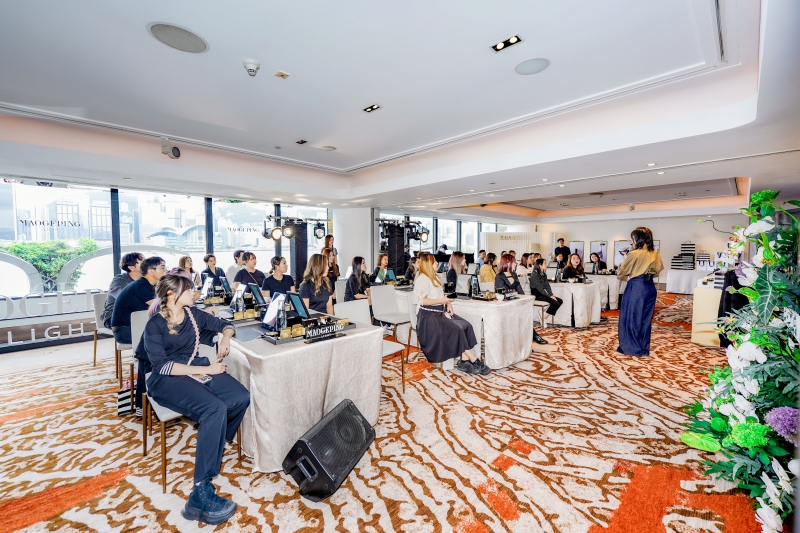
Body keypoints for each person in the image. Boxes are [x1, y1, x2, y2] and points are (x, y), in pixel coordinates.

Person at [143, 274, 248, 525]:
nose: (194, 293)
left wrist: (225, 337)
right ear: (171, 294)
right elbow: (162, 366)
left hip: (194, 368)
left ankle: (214, 440)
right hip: (166, 379)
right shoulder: (155, 324)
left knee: (240, 397)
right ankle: (199, 492)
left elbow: (225, 324)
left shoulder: (192, 314)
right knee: (214, 408)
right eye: (189, 290)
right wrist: (207, 369)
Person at [414, 253, 490, 376]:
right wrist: (443, 301)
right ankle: (474, 360)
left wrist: (448, 303)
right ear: (429, 264)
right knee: (457, 329)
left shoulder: (434, 277)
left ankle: (464, 361)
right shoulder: (422, 279)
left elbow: (440, 295)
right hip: (429, 317)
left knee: (466, 325)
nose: (437, 263)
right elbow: (422, 301)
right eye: (434, 261)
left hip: (439, 312)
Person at [111, 256, 166, 416]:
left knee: (157, 342)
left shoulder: (149, 285)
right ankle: (145, 400)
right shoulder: (143, 286)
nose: (166, 270)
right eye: (162, 267)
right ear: (151, 271)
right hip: (125, 331)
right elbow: (163, 306)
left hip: (135, 327)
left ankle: (148, 398)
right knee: (157, 345)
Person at [616, 227, 664, 356]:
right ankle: (643, 348)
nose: (632, 241)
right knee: (645, 319)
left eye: (633, 238)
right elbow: (658, 270)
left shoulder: (635, 253)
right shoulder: (655, 253)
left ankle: (632, 348)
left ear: (637, 239)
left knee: (631, 317)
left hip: (637, 286)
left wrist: (626, 258)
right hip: (650, 287)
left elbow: (621, 271)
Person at [494, 254, 548, 346]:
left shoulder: (514, 274)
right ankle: (533, 337)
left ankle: (528, 340)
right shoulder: (499, 276)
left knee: (525, 315)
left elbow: (519, 290)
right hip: (505, 305)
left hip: (514, 302)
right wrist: (514, 295)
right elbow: (502, 293)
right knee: (521, 316)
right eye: (514, 262)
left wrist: (524, 300)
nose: (516, 263)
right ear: (507, 263)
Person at [101, 252, 143, 329]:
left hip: (137, 315)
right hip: (114, 317)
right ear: (131, 267)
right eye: (143, 262)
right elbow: (126, 300)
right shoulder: (119, 280)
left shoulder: (145, 280)